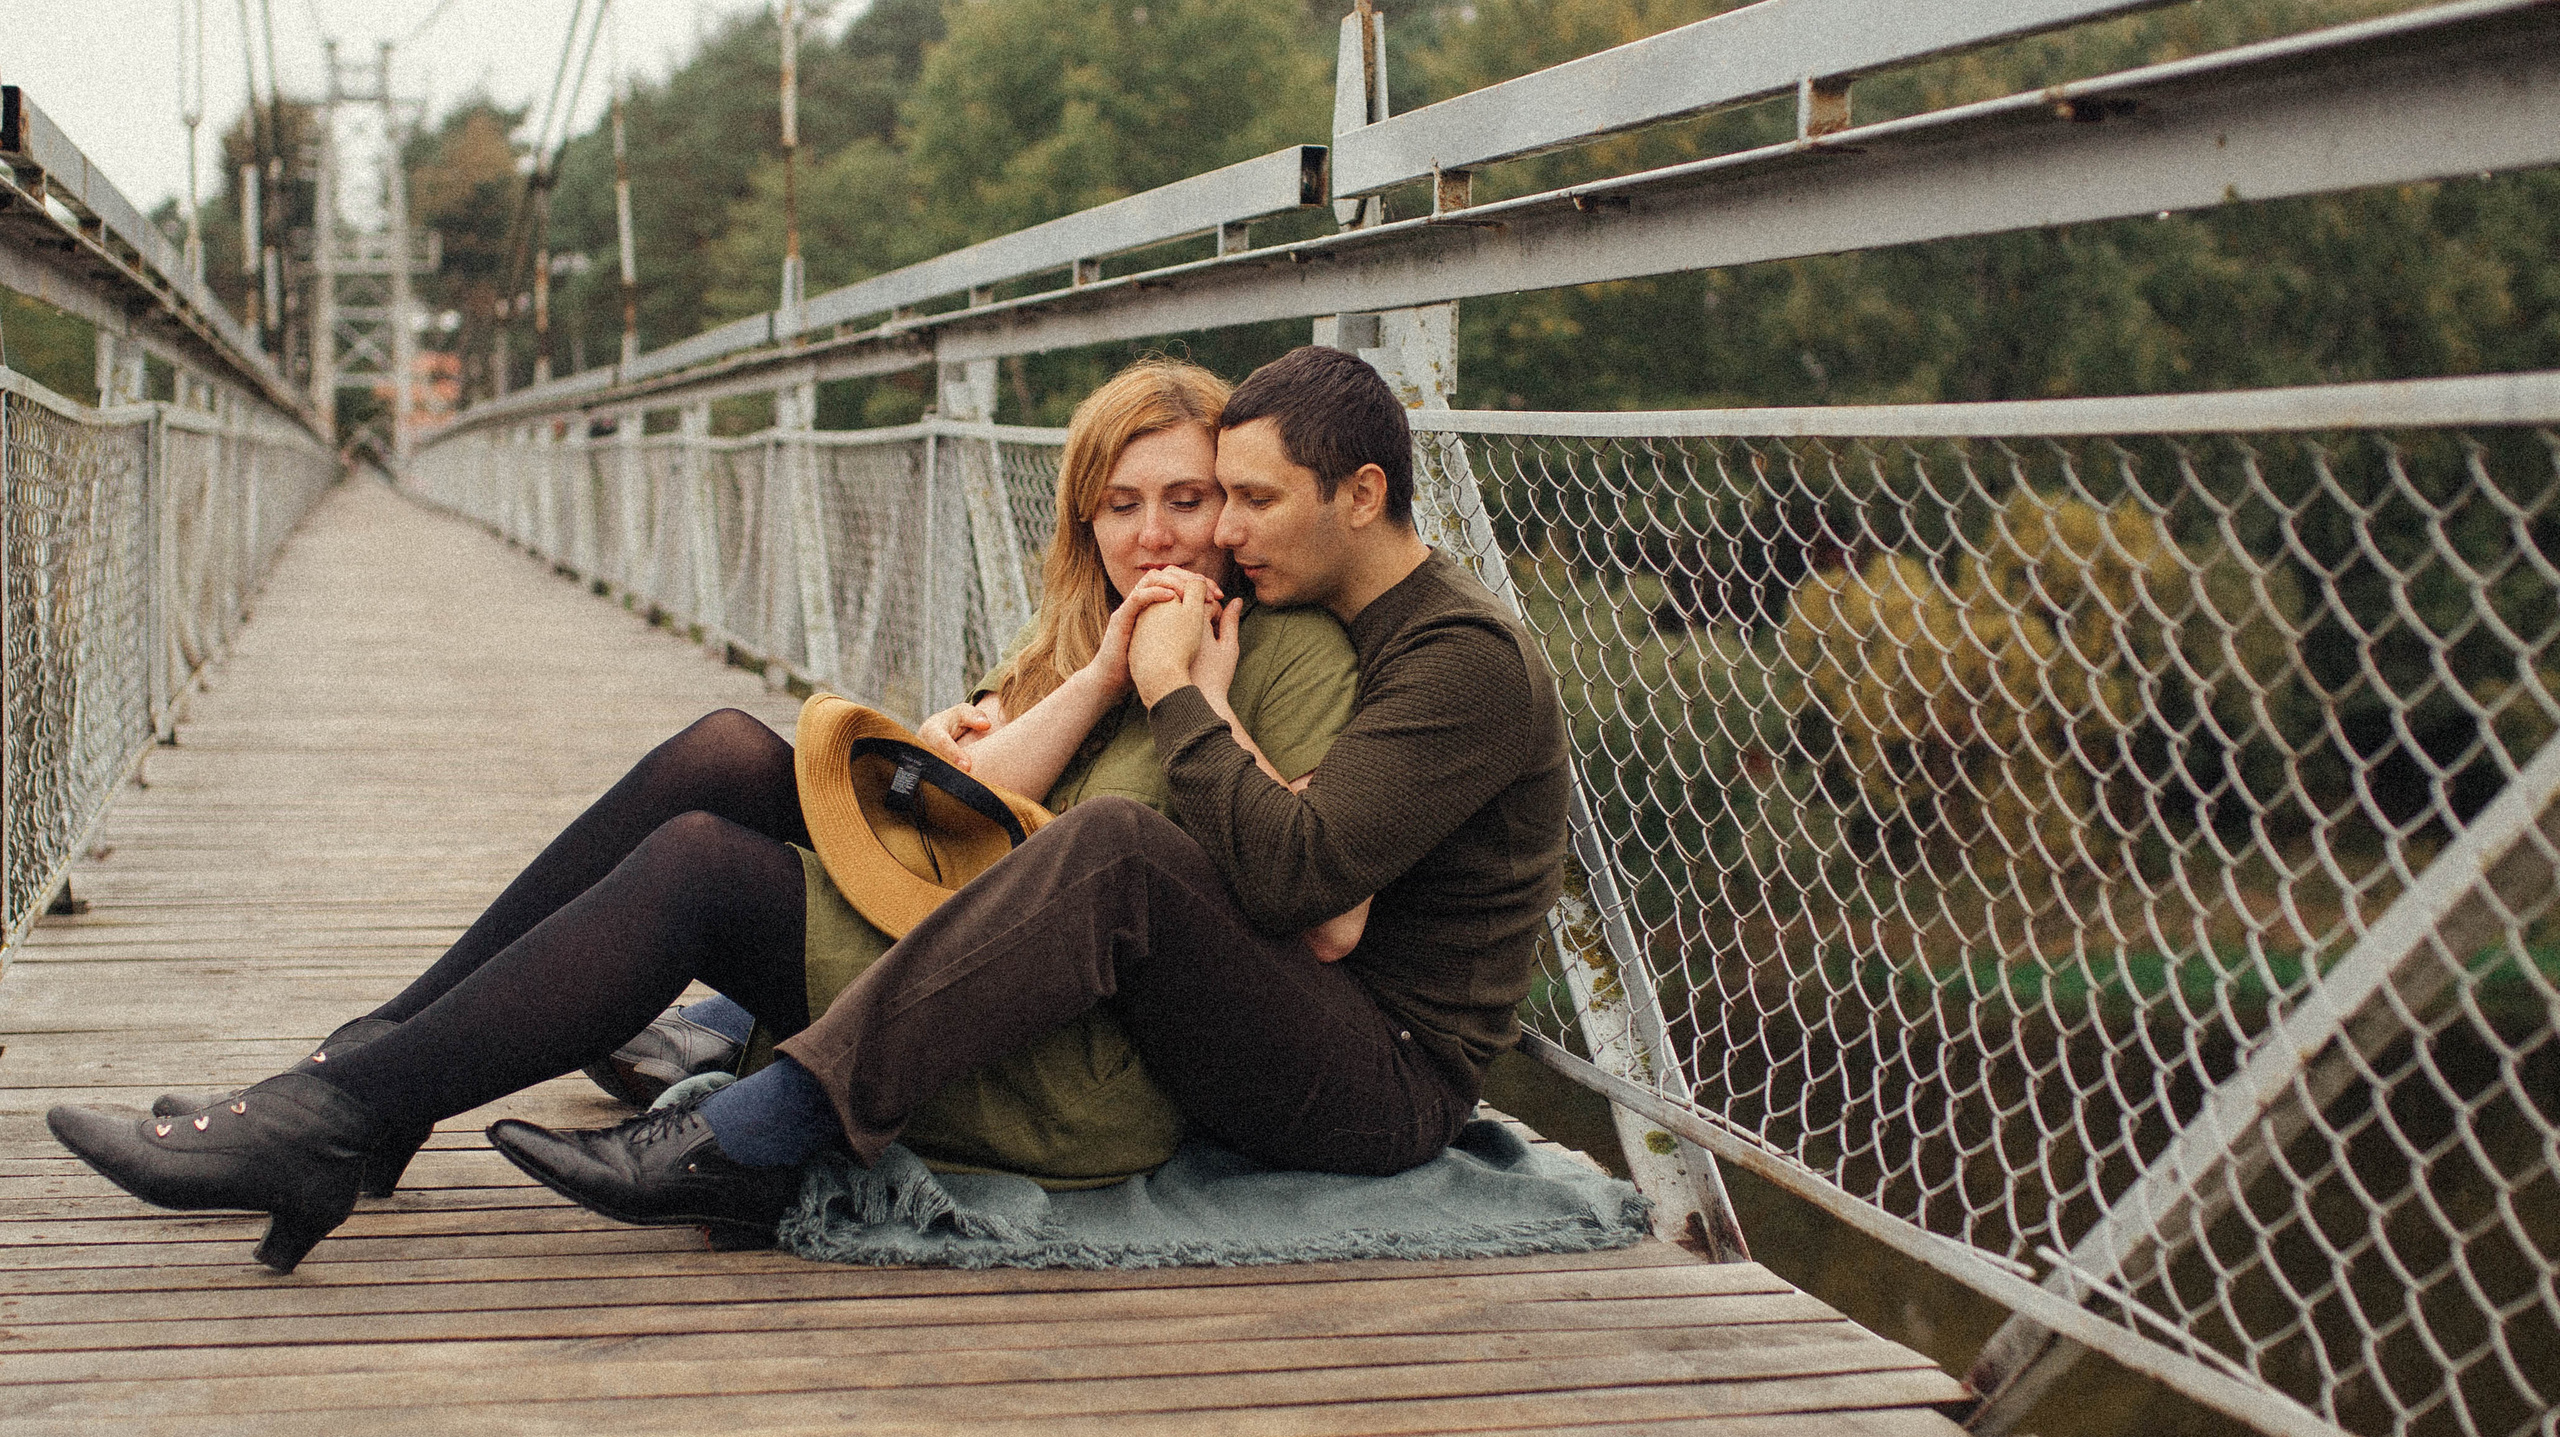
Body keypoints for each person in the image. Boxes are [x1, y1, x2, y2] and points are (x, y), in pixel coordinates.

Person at [45, 358, 1363, 1271]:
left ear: (1246, 503)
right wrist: (1087, 676)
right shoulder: (1100, 632)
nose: (1155, 535)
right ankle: (359, 1079)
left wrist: (1194, 698)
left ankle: (348, 1109)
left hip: (1067, 1059)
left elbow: (1288, 898)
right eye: (1120, 505)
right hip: (961, 955)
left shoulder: (1284, 652)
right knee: (728, 750)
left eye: (1190, 499)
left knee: (697, 868)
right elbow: (998, 803)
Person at [492, 344, 1572, 1230]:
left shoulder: (1459, 657)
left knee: (1114, 844)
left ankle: (761, 1124)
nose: (1221, 533)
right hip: (1277, 1008)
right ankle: (556, 1045)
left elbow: (1319, 911)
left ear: (1362, 493)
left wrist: (1176, 690)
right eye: (1215, 497)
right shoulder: (1312, 611)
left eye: (1244, 499)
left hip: (1380, 1079)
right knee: (741, 761)